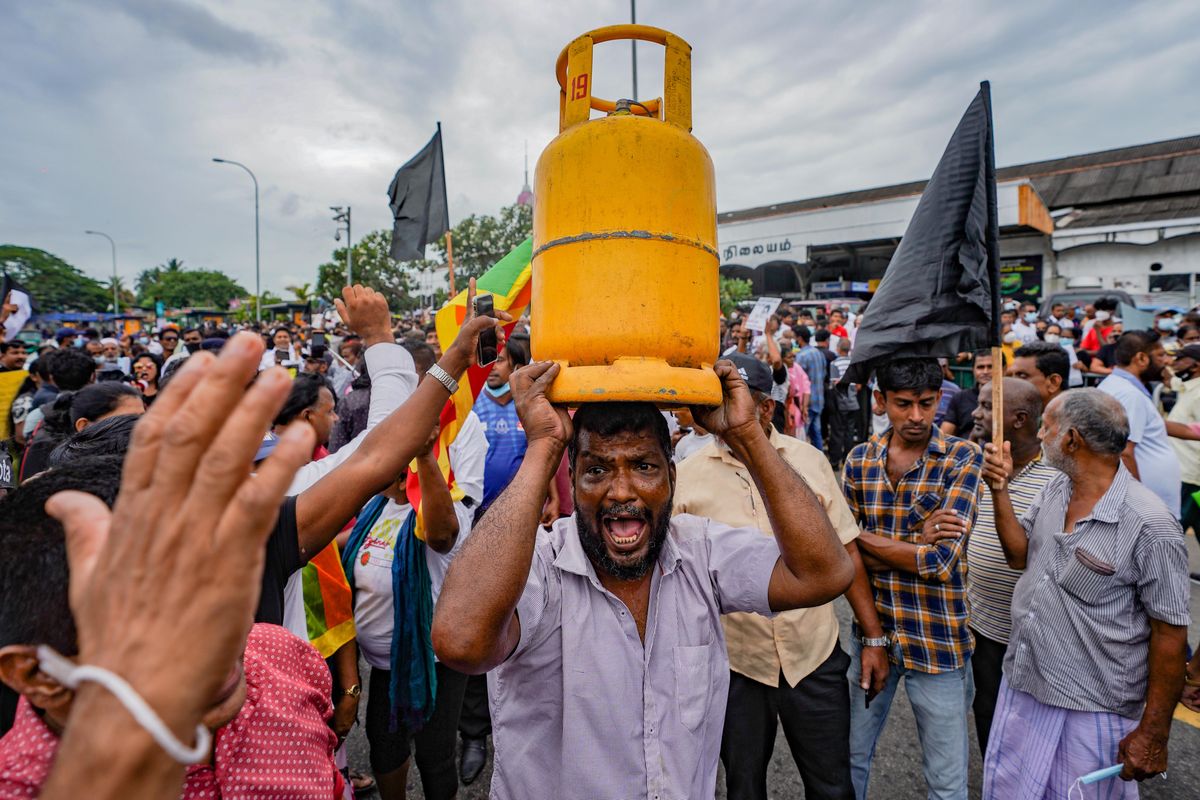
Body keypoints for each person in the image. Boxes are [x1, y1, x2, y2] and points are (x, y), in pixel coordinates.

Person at [432, 359, 855, 799]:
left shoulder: (700, 553)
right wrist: (543, 446)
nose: (621, 491)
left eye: (644, 467)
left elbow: (824, 574)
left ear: (673, 478)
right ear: (572, 483)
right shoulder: (540, 568)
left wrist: (746, 435)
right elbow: (461, 643)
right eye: (596, 470)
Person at [675, 353, 883, 800]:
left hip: (814, 654)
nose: (721, 414)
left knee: (831, 786)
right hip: (736, 665)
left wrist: (873, 639)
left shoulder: (809, 462)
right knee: (744, 787)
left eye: (736, 402)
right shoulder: (686, 476)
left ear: (765, 409)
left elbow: (847, 550)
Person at [980, 390, 1190, 797]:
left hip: (1092, 709)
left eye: (1047, 427)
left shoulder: (1151, 526)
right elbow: (1019, 555)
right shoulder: (1056, 488)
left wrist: (1154, 733)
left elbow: (1170, 635)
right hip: (1025, 684)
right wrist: (999, 489)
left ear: (1072, 440)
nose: (1041, 436)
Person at [841, 357, 983, 800]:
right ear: (881, 401)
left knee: (946, 779)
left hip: (939, 643)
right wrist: (911, 543)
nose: (917, 416)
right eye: (904, 404)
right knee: (849, 760)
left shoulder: (962, 457)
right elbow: (840, 563)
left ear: (940, 398)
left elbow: (941, 562)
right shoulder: (860, 460)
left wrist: (860, 542)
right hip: (873, 635)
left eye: (926, 403)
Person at [958, 379, 1055, 755]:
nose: (975, 412)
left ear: (1017, 419)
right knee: (988, 716)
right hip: (982, 628)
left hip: (1031, 636)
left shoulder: (1056, 477)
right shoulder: (978, 461)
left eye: (986, 405)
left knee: (1029, 732)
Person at [458, 337, 532, 782]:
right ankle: (472, 733)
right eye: (491, 358)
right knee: (477, 625)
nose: (495, 366)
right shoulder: (469, 405)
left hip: (526, 532)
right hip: (476, 529)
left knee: (524, 626)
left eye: (502, 359)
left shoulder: (530, 404)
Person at [1098, 331, 1187, 516]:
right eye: (1161, 355)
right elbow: (1124, 452)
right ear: (1141, 358)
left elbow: (1153, 425)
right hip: (1148, 512)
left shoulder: (1118, 386)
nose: (1166, 361)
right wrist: (1140, 503)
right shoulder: (1130, 395)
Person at [1168, 343, 1200, 536]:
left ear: (1195, 366)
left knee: (1174, 529)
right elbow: (1170, 379)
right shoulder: (1187, 387)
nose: (1175, 363)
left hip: (1191, 475)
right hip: (1186, 473)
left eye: (1180, 359)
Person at [939, 350, 996, 437]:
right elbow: (944, 436)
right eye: (980, 367)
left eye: (990, 367)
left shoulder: (1009, 398)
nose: (985, 371)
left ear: (1002, 369)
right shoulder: (960, 397)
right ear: (973, 370)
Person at [826, 337, 859, 469]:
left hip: (840, 402)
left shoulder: (834, 364)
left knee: (837, 431)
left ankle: (835, 461)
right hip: (853, 402)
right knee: (849, 432)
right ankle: (847, 459)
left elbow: (835, 383)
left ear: (838, 349)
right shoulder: (854, 363)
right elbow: (857, 385)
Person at [1005, 340, 1068, 409]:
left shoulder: (1076, 418)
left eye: (1022, 376)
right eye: (1010, 376)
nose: (1011, 383)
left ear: (1053, 382)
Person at [796, 327, 827, 449]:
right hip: (819, 399)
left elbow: (799, 382)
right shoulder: (818, 353)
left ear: (799, 338)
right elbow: (824, 374)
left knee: (803, 435)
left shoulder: (801, 356)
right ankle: (820, 462)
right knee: (816, 434)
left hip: (807, 402)